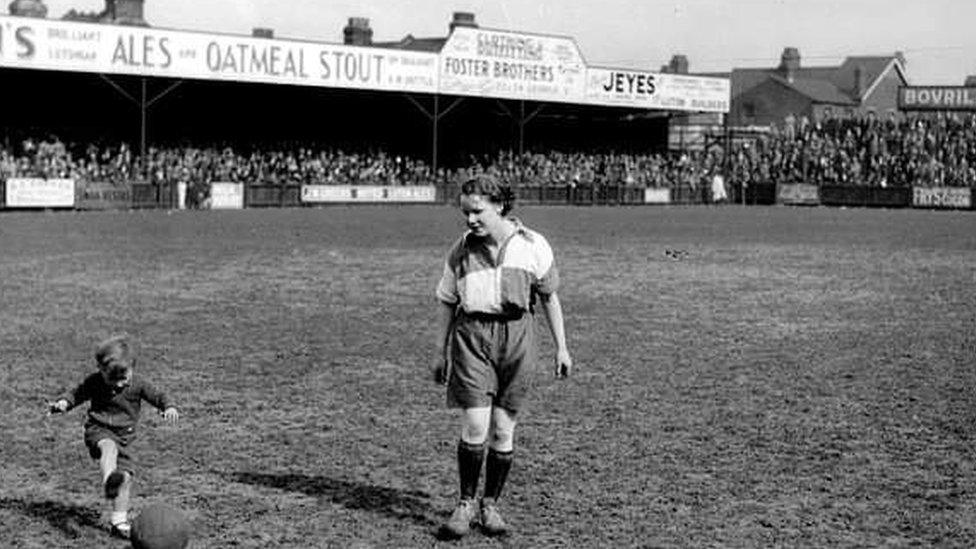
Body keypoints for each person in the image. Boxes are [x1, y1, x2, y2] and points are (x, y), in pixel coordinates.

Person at [431, 174, 573, 538]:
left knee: (502, 428)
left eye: (477, 211)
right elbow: (447, 301)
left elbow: (549, 297)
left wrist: (562, 347)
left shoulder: (533, 245)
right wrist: (440, 352)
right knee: (476, 424)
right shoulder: (460, 249)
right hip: (472, 337)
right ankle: (464, 503)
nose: (470, 220)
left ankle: (490, 504)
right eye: (465, 213)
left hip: (518, 337)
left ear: (499, 206)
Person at [48, 335, 179, 539]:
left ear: (132, 367)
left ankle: (119, 521)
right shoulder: (95, 381)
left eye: (123, 378)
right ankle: (109, 477)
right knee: (109, 448)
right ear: (100, 369)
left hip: (126, 437)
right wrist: (64, 403)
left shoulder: (139, 383)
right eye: (113, 379)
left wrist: (168, 407)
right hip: (98, 430)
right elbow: (77, 393)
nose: (118, 384)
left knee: (126, 479)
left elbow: (159, 396)